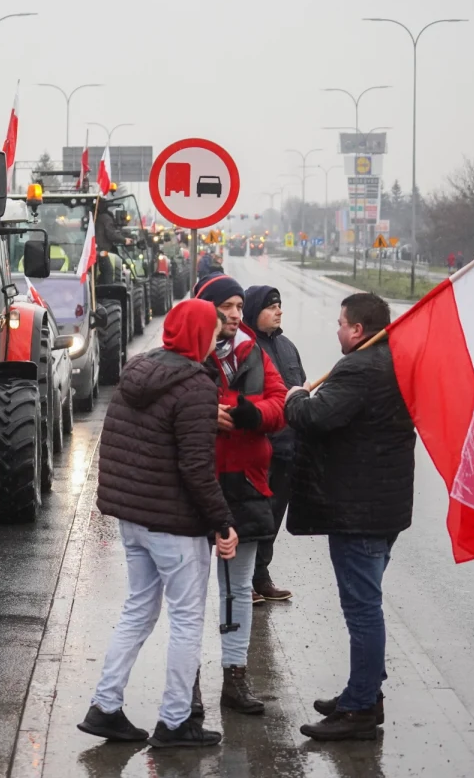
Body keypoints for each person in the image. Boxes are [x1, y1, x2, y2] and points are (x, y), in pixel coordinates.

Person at [79, 300, 237, 749]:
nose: (216, 337)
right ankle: (175, 721)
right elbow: (195, 467)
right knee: (187, 620)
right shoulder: (195, 386)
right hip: (175, 525)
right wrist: (222, 522)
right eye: (213, 329)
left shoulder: (138, 372)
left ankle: (105, 707)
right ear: (198, 334)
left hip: (135, 519)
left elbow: (118, 446)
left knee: (138, 610)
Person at [284, 292, 416, 741]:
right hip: (385, 507)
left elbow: (317, 417)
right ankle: (364, 692)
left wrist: (295, 397)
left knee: (362, 610)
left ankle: (360, 710)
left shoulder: (359, 368)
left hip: (359, 511)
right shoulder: (395, 363)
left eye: (341, 323)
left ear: (358, 330)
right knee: (367, 605)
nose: (337, 330)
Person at [191, 274, 286, 715]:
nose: (232, 314)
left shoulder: (254, 353)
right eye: (224, 306)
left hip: (246, 486)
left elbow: (280, 403)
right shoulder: (188, 353)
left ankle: (235, 679)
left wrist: (251, 414)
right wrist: (203, 415)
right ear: (206, 309)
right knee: (189, 594)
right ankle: (185, 685)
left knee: (238, 590)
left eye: (236, 306)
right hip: (195, 486)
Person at [243, 285, 307, 603]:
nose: (279, 311)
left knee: (273, 516)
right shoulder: (244, 349)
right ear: (254, 313)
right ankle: (244, 582)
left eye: (279, 305)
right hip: (257, 449)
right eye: (271, 307)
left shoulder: (288, 346)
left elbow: (300, 389)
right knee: (253, 516)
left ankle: (261, 575)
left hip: (287, 448)